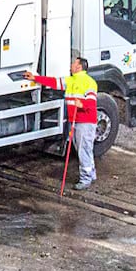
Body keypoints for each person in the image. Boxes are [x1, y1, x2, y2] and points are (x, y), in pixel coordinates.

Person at [21, 56, 101, 189]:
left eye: (73, 63)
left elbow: (91, 103)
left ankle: (85, 179)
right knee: (83, 147)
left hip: (85, 122)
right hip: (76, 120)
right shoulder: (71, 80)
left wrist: (81, 103)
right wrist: (35, 78)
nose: (70, 65)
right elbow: (53, 82)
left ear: (79, 67)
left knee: (83, 149)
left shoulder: (89, 82)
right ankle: (90, 174)